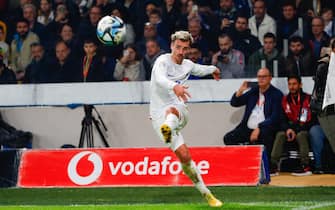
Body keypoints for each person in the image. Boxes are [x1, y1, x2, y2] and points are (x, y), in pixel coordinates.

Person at [150, 30, 222, 207]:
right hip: (157, 114)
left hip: (178, 110)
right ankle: (207, 193)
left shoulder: (188, 65)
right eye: (178, 47)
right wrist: (174, 86)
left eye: (185, 48)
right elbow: (159, 79)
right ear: (171, 46)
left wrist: (214, 69)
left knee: (173, 110)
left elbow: (201, 69)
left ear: (188, 49)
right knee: (184, 156)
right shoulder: (162, 61)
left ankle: (168, 126)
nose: (181, 52)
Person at [223, 68, 283, 165]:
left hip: (265, 128)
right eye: (259, 77)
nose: (261, 79)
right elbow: (234, 103)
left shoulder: (276, 94)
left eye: (264, 77)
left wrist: (259, 127)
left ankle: (268, 166)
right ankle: (243, 161)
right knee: (229, 138)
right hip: (247, 128)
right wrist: (241, 90)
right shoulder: (253, 92)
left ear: (270, 78)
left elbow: (275, 117)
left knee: (266, 136)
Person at [270, 75, 314, 176]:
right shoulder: (284, 100)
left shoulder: (307, 99)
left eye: (294, 84)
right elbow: (282, 119)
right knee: (280, 134)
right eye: (289, 84)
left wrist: (294, 130)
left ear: (300, 85)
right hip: (290, 129)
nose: (292, 87)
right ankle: (273, 165)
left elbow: (308, 120)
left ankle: (305, 166)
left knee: (301, 135)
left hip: (304, 128)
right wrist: (288, 129)